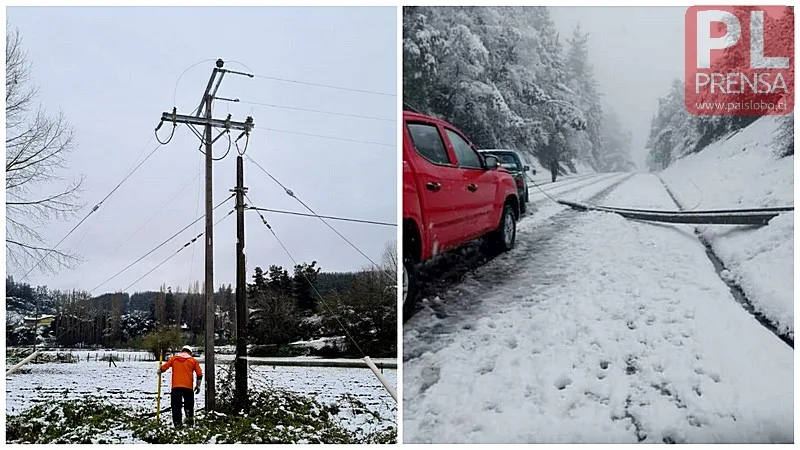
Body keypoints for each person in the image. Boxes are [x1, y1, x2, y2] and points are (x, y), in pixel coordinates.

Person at [158, 345, 203, 427]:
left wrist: (160, 370)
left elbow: (165, 367)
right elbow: (199, 374)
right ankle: (189, 423)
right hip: (188, 388)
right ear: (190, 353)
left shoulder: (174, 359)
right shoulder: (193, 361)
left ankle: (177, 424)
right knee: (189, 407)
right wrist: (198, 386)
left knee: (176, 407)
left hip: (176, 387)